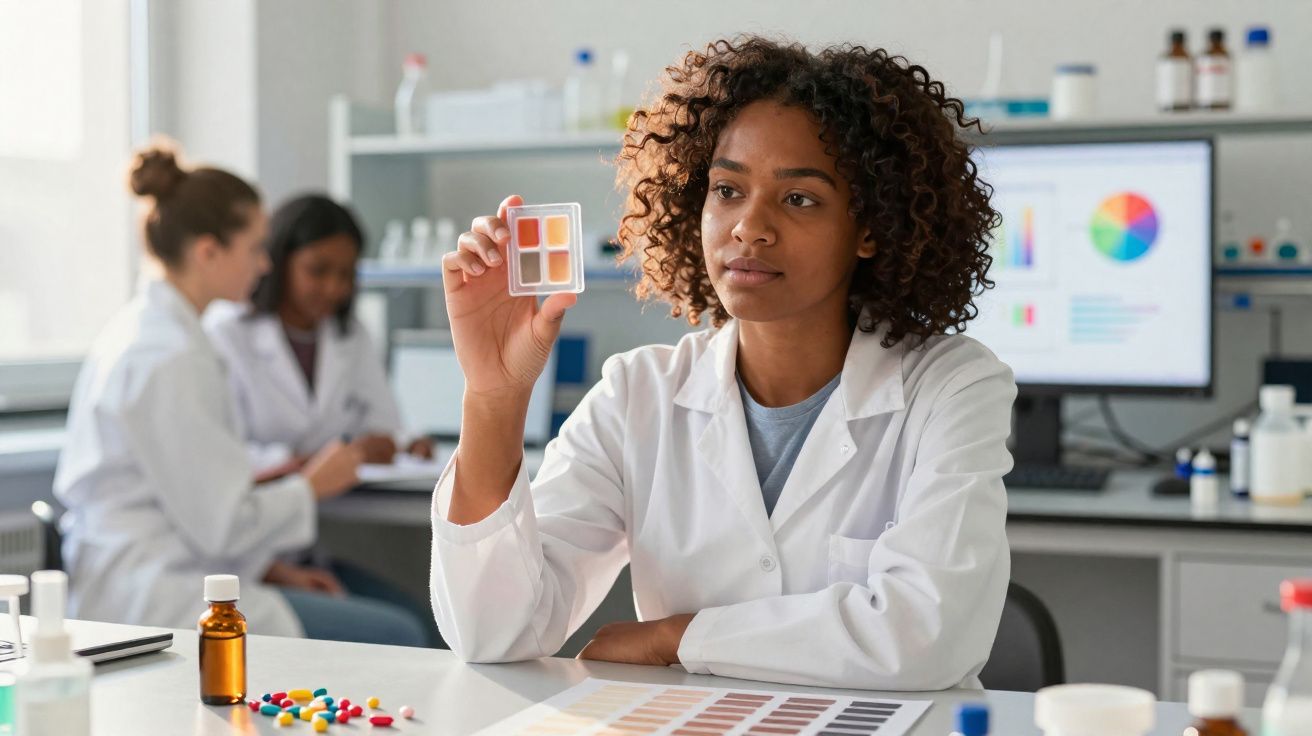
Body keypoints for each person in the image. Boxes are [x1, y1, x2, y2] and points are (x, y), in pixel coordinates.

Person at [428, 37, 1017, 689]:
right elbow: (493, 633)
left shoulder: (952, 385)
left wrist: (676, 638)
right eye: (728, 189)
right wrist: (493, 395)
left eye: (800, 199)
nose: (749, 227)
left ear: (871, 227)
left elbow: (922, 635)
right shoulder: (638, 394)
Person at [55, 144, 429, 647]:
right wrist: (310, 486)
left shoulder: (158, 334)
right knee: (400, 634)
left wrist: (272, 569)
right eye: (255, 248)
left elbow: (203, 512)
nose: (263, 264)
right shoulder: (169, 358)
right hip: (158, 592)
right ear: (208, 252)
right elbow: (224, 525)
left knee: (396, 619)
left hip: (181, 568)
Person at [206, 193, 433, 472]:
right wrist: (317, 460)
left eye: (345, 274)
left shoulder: (350, 334)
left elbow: (383, 424)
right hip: (268, 502)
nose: (333, 288)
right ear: (278, 261)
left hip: (346, 499)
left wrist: (404, 443)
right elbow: (224, 452)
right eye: (317, 271)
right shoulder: (227, 333)